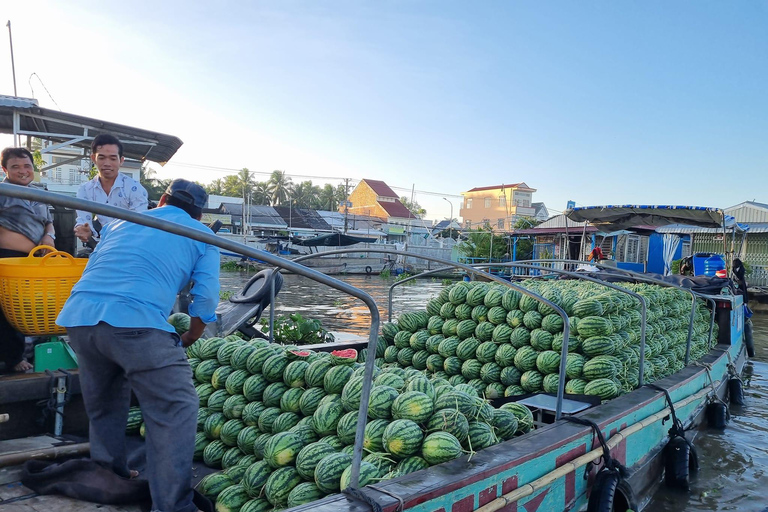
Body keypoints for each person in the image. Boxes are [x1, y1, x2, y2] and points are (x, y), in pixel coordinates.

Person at [57, 179, 219, 512]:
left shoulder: (124, 221)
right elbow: (204, 300)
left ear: (161, 199)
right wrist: (191, 335)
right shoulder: (202, 236)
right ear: (200, 216)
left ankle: (109, 476)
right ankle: (173, 506)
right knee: (175, 410)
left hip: (80, 318)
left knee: (104, 402)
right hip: (137, 324)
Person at [0, 147, 56, 372]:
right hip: (9, 259)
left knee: (30, 309)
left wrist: (49, 237)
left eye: (27, 166)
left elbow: (48, 221)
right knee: (6, 311)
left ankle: (31, 352)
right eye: (15, 167)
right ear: (5, 169)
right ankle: (12, 359)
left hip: (34, 261)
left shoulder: (39, 193)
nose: (22, 171)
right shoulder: (2, 192)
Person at [74, 134, 148, 246]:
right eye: (102, 158)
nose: (107, 163)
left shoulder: (134, 188)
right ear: (93, 158)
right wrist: (84, 230)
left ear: (121, 160)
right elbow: (83, 219)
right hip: (103, 245)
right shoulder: (85, 190)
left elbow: (138, 225)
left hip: (132, 245)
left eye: (113, 158)